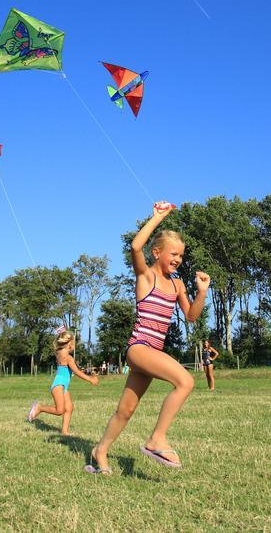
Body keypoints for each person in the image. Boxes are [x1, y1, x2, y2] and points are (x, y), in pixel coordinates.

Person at [87, 202, 210, 474]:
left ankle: (100, 450)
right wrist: (157, 218)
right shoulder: (146, 275)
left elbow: (191, 316)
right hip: (140, 348)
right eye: (173, 254)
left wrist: (201, 292)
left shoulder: (177, 284)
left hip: (152, 351)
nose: (178, 259)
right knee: (185, 381)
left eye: (181, 255)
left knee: (126, 410)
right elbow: (134, 246)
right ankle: (157, 439)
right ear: (157, 252)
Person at [27, 329, 98, 436]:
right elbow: (76, 372)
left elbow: (70, 371)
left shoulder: (59, 353)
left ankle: (64, 431)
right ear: (69, 344)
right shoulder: (68, 357)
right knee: (59, 410)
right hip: (58, 386)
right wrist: (90, 379)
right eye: (74, 343)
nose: (75, 345)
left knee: (69, 408)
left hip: (62, 385)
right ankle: (39, 408)